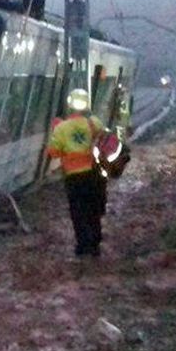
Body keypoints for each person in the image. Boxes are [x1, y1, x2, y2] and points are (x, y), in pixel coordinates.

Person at [48, 88, 107, 258]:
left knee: (78, 211)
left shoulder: (61, 128)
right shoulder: (93, 123)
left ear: (69, 104)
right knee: (92, 209)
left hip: (74, 177)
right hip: (93, 175)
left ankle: (82, 246)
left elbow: (54, 153)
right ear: (87, 104)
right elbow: (104, 140)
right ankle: (95, 245)